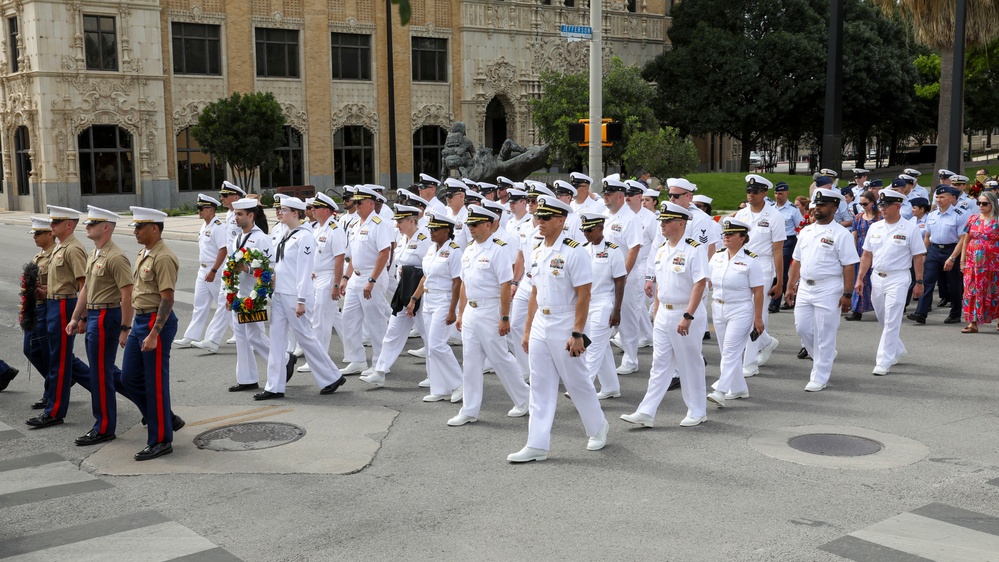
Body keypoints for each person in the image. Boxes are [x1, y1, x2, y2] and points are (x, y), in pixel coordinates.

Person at [507, 197, 608, 463]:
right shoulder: (538, 250)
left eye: (546, 218)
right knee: (540, 384)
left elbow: (584, 295)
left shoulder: (575, 252)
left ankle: (597, 427)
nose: (539, 222)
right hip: (542, 320)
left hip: (565, 321)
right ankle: (537, 444)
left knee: (576, 382)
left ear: (561, 221)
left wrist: (577, 333)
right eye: (538, 217)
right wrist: (528, 331)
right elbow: (534, 293)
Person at [621, 202, 708, 428]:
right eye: (661, 220)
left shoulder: (694, 248)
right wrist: (657, 311)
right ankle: (646, 411)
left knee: (690, 363)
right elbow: (660, 284)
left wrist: (688, 315)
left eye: (667, 221)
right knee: (659, 365)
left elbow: (699, 284)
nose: (662, 224)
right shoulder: (661, 249)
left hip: (685, 313)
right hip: (664, 314)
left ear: (681, 223)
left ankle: (697, 410)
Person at [447, 205, 530, 427]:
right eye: (469, 225)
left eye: (474, 225)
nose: (471, 229)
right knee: (471, 362)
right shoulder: (469, 250)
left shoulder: (498, 249)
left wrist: (504, 317)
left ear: (488, 224)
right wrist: (461, 313)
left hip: (490, 309)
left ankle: (525, 398)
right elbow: (464, 284)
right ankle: (469, 410)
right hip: (472, 312)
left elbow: (505, 285)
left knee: (500, 358)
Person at [256, 197, 346, 399]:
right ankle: (274, 386)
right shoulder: (285, 234)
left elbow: (305, 272)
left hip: (295, 296)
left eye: (283, 210)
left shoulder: (305, 237)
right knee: (277, 341)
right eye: (278, 209)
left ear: (296, 213)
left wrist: (301, 301)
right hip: (280, 293)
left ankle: (332, 376)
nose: (279, 213)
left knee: (306, 338)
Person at [66, 206, 133, 445]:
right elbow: (86, 289)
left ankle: (104, 427)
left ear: (106, 227)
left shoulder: (116, 257)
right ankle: (153, 408)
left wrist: (126, 328)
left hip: (107, 316)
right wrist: (77, 317)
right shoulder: (94, 254)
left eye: (92, 223)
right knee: (102, 372)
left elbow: (127, 294)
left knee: (101, 374)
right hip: (94, 315)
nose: (87, 226)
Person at [120, 207, 181, 460]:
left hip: (157, 322)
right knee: (128, 378)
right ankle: (166, 418)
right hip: (140, 322)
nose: (135, 231)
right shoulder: (143, 252)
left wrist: (155, 333)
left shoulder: (163, 257)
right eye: (134, 227)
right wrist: (130, 327)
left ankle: (161, 439)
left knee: (155, 384)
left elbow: (167, 299)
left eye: (140, 227)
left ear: (154, 228)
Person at [785, 188, 859, 392]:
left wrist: (847, 294)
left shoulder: (841, 234)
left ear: (834, 208)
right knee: (802, 328)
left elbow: (849, 265)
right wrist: (790, 286)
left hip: (829, 288)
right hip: (805, 287)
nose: (817, 209)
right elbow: (797, 261)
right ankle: (823, 357)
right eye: (816, 205)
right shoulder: (807, 231)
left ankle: (820, 375)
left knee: (825, 333)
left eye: (823, 205)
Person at [26, 206, 92, 429]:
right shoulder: (59, 248)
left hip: (65, 305)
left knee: (60, 361)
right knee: (56, 359)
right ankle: (53, 408)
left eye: (56, 222)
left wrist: (82, 317)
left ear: (69, 225)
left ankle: (54, 412)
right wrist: (45, 293)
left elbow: (83, 285)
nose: (51, 226)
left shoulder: (73, 249)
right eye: (52, 222)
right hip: (54, 303)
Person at [854, 189, 926, 375]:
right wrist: (860, 277)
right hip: (877, 277)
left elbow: (918, 257)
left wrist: (919, 281)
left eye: (886, 206)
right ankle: (898, 348)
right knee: (883, 318)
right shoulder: (875, 227)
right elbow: (866, 254)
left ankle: (883, 361)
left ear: (898, 206)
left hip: (899, 278)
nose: (883, 209)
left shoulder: (910, 229)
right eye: (881, 205)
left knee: (892, 319)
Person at [360, 205, 432, 386]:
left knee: (427, 335)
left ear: (411, 221)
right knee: (392, 332)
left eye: (400, 221)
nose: (397, 225)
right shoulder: (401, 238)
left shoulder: (423, 239)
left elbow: (428, 271)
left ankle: (435, 375)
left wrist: (415, 298)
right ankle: (380, 371)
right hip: (404, 287)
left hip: (419, 290)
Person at [705, 219, 765, 408]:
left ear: (743, 238)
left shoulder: (751, 260)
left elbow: (758, 291)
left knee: (731, 351)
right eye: (725, 234)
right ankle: (739, 388)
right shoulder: (718, 256)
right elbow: (707, 281)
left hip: (740, 309)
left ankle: (721, 391)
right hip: (718, 306)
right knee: (726, 352)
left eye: (731, 234)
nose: (726, 237)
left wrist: (758, 318)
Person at [407, 214, 464, 402]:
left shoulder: (454, 251)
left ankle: (459, 383)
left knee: (438, 344)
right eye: (430, 229)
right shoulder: (432, 249)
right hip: (429, 300)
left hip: (444, 300)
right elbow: (425, 277)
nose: (431, 232)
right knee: (431, 346)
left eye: (435, 229)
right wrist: (414, 298)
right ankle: (440, 388)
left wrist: (452, 310)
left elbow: (457, 283)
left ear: (446, 231)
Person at [733, 174, 785, 377]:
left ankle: (750, 362)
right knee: (743, 310)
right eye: (749, 191)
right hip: (741, 264)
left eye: (755, 192)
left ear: (764, 193)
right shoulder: (741, 215)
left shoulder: (774, 216)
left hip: (763, 266)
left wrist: (780, 281)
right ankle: (766, 342)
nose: (751, 195)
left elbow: (778, 250)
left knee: (758, 313)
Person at [340, 186, 394, 373]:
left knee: (375, 321)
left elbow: (384, 253)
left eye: (359, 203)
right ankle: (356, 360)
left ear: (371, 204)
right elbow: (355, 255)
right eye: (355, 203)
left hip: (373, 276)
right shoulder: (356, 225)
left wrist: (371, 280)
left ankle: (380, 363)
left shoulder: (379, 224)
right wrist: (346, 277)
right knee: (348, 318)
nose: (356, 206)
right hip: (356, 276)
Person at [191, 181, 245, 353]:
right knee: (226, 302)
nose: (221, 198)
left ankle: (217, 339)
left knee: (230, 302)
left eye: (225, 195)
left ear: (235, 197)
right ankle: (216, 339)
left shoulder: (241, 215)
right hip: (231, 265)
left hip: (240, 265)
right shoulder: (230, 215)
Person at [226, 198, 273, 392]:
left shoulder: (261, 238)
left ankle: (284, 358)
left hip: (255, 295)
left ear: (251, 215)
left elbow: (270, 269)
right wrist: (229, 293)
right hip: (240, 295)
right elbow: (231, 267)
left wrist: (246, 268)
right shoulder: (238, 238)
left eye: (239, 214)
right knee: (241, 337)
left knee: (255, 336)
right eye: (235, 214)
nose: (235, 218)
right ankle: (247, 378)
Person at [578, 212, 626, 399]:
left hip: (605, 302)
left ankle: (582, 390)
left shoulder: (613, 251)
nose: (586, 233)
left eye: (590, 229)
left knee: (592, 347)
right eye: (583, 230)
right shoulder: (582, 249)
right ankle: (610, 387)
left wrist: (617, 310)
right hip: (586, 303)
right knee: (601, 347)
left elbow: (620, 282)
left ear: (600, 228)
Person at [297, 193, 346, 374]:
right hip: (317, 277)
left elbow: (339, 258)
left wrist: (336, 284)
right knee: (331, 317)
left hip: (328, 278)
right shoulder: (316, 228)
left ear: (326, 210)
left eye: (315, 208)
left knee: (319, 322)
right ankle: (354, 352)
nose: (312, 211)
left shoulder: (335, 229)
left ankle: (317, 361)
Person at [600, 177, 644, 375]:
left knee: (627, 318)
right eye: (604, 194)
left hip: (625, 277)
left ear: (620, 196)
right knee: (603, 316)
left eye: (609, 194)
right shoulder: (604, 215)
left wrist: (623, 275)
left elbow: (634, 249)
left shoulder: (630, 218)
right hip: (603, 276)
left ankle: (631, 359)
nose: (605, 197)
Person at [908, 186, 970, 324]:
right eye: (937, 197)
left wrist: (953, 258)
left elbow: (962, 239)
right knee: (927, 280)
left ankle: (955, 314)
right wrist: (923, 253)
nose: (939, 200)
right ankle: (921, 313)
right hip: (934, 250)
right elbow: (928, 235)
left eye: (942, 197)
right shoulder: (932, 214)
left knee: (953, 283)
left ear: (951, 198)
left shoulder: (959, 215)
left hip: (951, 249)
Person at [175, 195, 227, 347]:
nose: (199, 211)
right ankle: (192, 336)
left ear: (210, 209)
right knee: (199, 304)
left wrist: (214, 270)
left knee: (224, 306)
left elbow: (223, 250)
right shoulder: (204, 225)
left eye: (201, 209)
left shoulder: (218, 227)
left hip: (215, 271)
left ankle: (241, 335)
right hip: (202, 270)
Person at [19, 217, 54, 407]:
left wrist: (44, 290)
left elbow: (69, 287)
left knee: (50, 354)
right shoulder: (38, 256)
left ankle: (52, 390)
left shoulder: (56, 255)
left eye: (39, 233)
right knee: (30, 349)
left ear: (50, 233)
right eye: (34, 234)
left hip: (49, 307)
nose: (35, 237)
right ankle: (57, 381)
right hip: (36, 309)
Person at [957, 190, 999, 333]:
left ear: (992, 204)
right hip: (972, 264)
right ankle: (972, 323)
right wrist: (962, 261)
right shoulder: (973, 219)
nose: (980, 205)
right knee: (971, 291)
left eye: (984, 203)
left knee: (994, 291)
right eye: (979, 203)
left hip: (992, 264)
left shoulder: (997, 221)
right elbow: (965, 241)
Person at [846, 191, 880, 321]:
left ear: (873, 203)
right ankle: (857, 309)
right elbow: (854, 234)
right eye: (861, 204)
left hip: (875, 249)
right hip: (861, 250)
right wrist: (854, 251)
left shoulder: (879, 218)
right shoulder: (859, 217)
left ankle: (878, 307)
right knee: (859, 280)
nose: (863, 206)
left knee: (874, 281)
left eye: (865, 203)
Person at [771, 181, 803, 313]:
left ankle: (775, 302)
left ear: (787, 193)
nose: (777, 196)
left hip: (788, 241)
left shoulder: (793, 210)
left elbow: (800, 227)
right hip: (773, 241)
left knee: (781, 271)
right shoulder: (771, 209)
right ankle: (790, 298)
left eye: (780, 193)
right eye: (776, 193)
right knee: (775, 270)